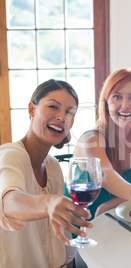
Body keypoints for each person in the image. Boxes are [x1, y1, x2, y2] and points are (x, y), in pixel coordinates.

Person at [0, 79, 92, 267]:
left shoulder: (53, 166)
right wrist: (49, 202)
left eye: (69, 112)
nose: (61, 117)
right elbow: (8, 202)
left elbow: (61, 238)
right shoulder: (11, 155)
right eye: (53, 106)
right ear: (32, 109)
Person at [72, 68, 131, 218]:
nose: (125, 105)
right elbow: (105, 175)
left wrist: (110, 205)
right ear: (106, 103)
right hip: (84, 228)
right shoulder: (92, 139)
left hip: (120, 222)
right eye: (117, 97)